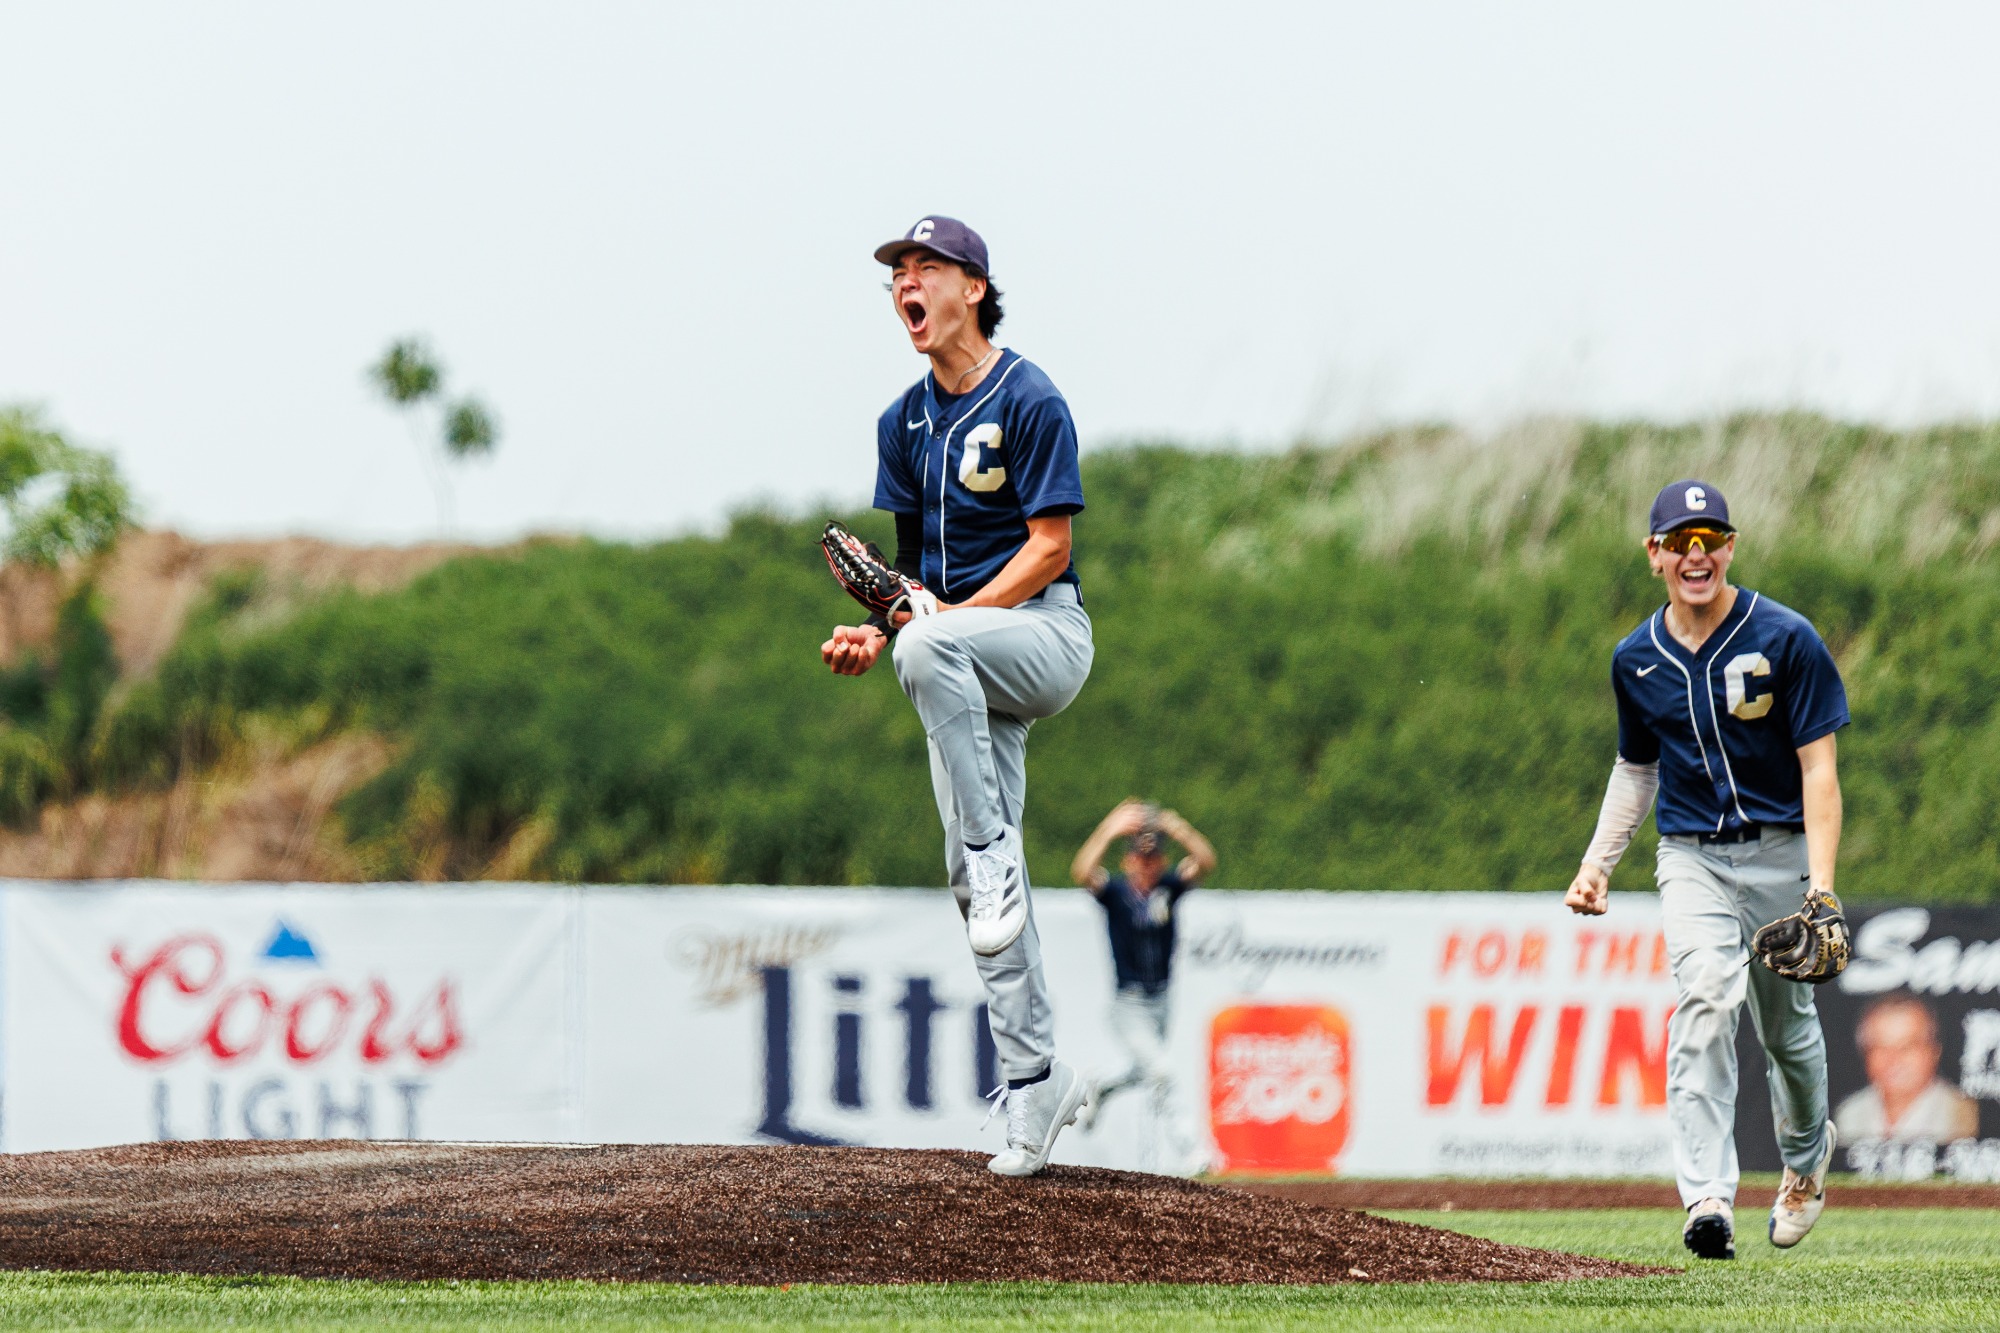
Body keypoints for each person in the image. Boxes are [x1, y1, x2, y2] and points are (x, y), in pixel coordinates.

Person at [821, 216, 1094, 1177]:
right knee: (972, 885)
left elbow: (1051, 548)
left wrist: (937, 624)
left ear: (973, 287)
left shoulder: (1029, 396)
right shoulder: (900, 423)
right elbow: (911, 581)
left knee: (985, 858)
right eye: (898, 270)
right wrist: (880, 629)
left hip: (1044, 639)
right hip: (955, 658)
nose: (908, 280)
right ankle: (1036, 1083)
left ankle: (993, 852)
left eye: (926, 265)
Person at [1564, 480, 1848, 1261]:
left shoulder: (1786, 636)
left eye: (1710, 538)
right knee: (1707, 997)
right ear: (1653, 554)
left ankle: (1804, 1163)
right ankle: (1707, 1197)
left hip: (1782, 851)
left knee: (1788, 1033)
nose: (1696, 554)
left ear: (1730, 546)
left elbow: (1819, 769)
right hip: (1693, 856)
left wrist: (1822, 888)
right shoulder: (1635, 657)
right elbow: (1636, 768)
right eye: (1679, 541)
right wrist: (1596, 865)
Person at [1069, 799, 1217, 1165]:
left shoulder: (1168, 888)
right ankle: (1191, 1149)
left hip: (1162, 999)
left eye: (1152, 858)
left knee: (1146, 1071)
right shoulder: (1116, 894)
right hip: (1129, 1003)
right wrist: (1109, 828)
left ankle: (1100, 1086)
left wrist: (1175, 827)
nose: (1146, 864)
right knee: (1162, 1071)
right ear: (1127, 860)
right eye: (1139, 857)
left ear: (1161, 861)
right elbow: (1082, 871)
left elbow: (1205, 862)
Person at [1834, 995, 1979, 1144]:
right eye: (1881, 1046)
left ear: (1935, 1051)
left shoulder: (1961, 1113)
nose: (1893, 1059)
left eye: (1908, 1046)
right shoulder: (1848, 1114)